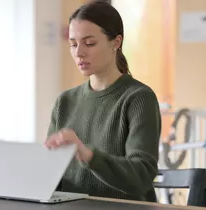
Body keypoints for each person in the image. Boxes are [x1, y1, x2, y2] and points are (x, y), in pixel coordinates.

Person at [43, 1, 161, 202]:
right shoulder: (65, 101)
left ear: (116, 42)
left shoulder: (139, 98)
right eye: (73, 44)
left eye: (89, 43)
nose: (79, 52)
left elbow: (141, 176)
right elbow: (50, 172)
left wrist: (88, 155)